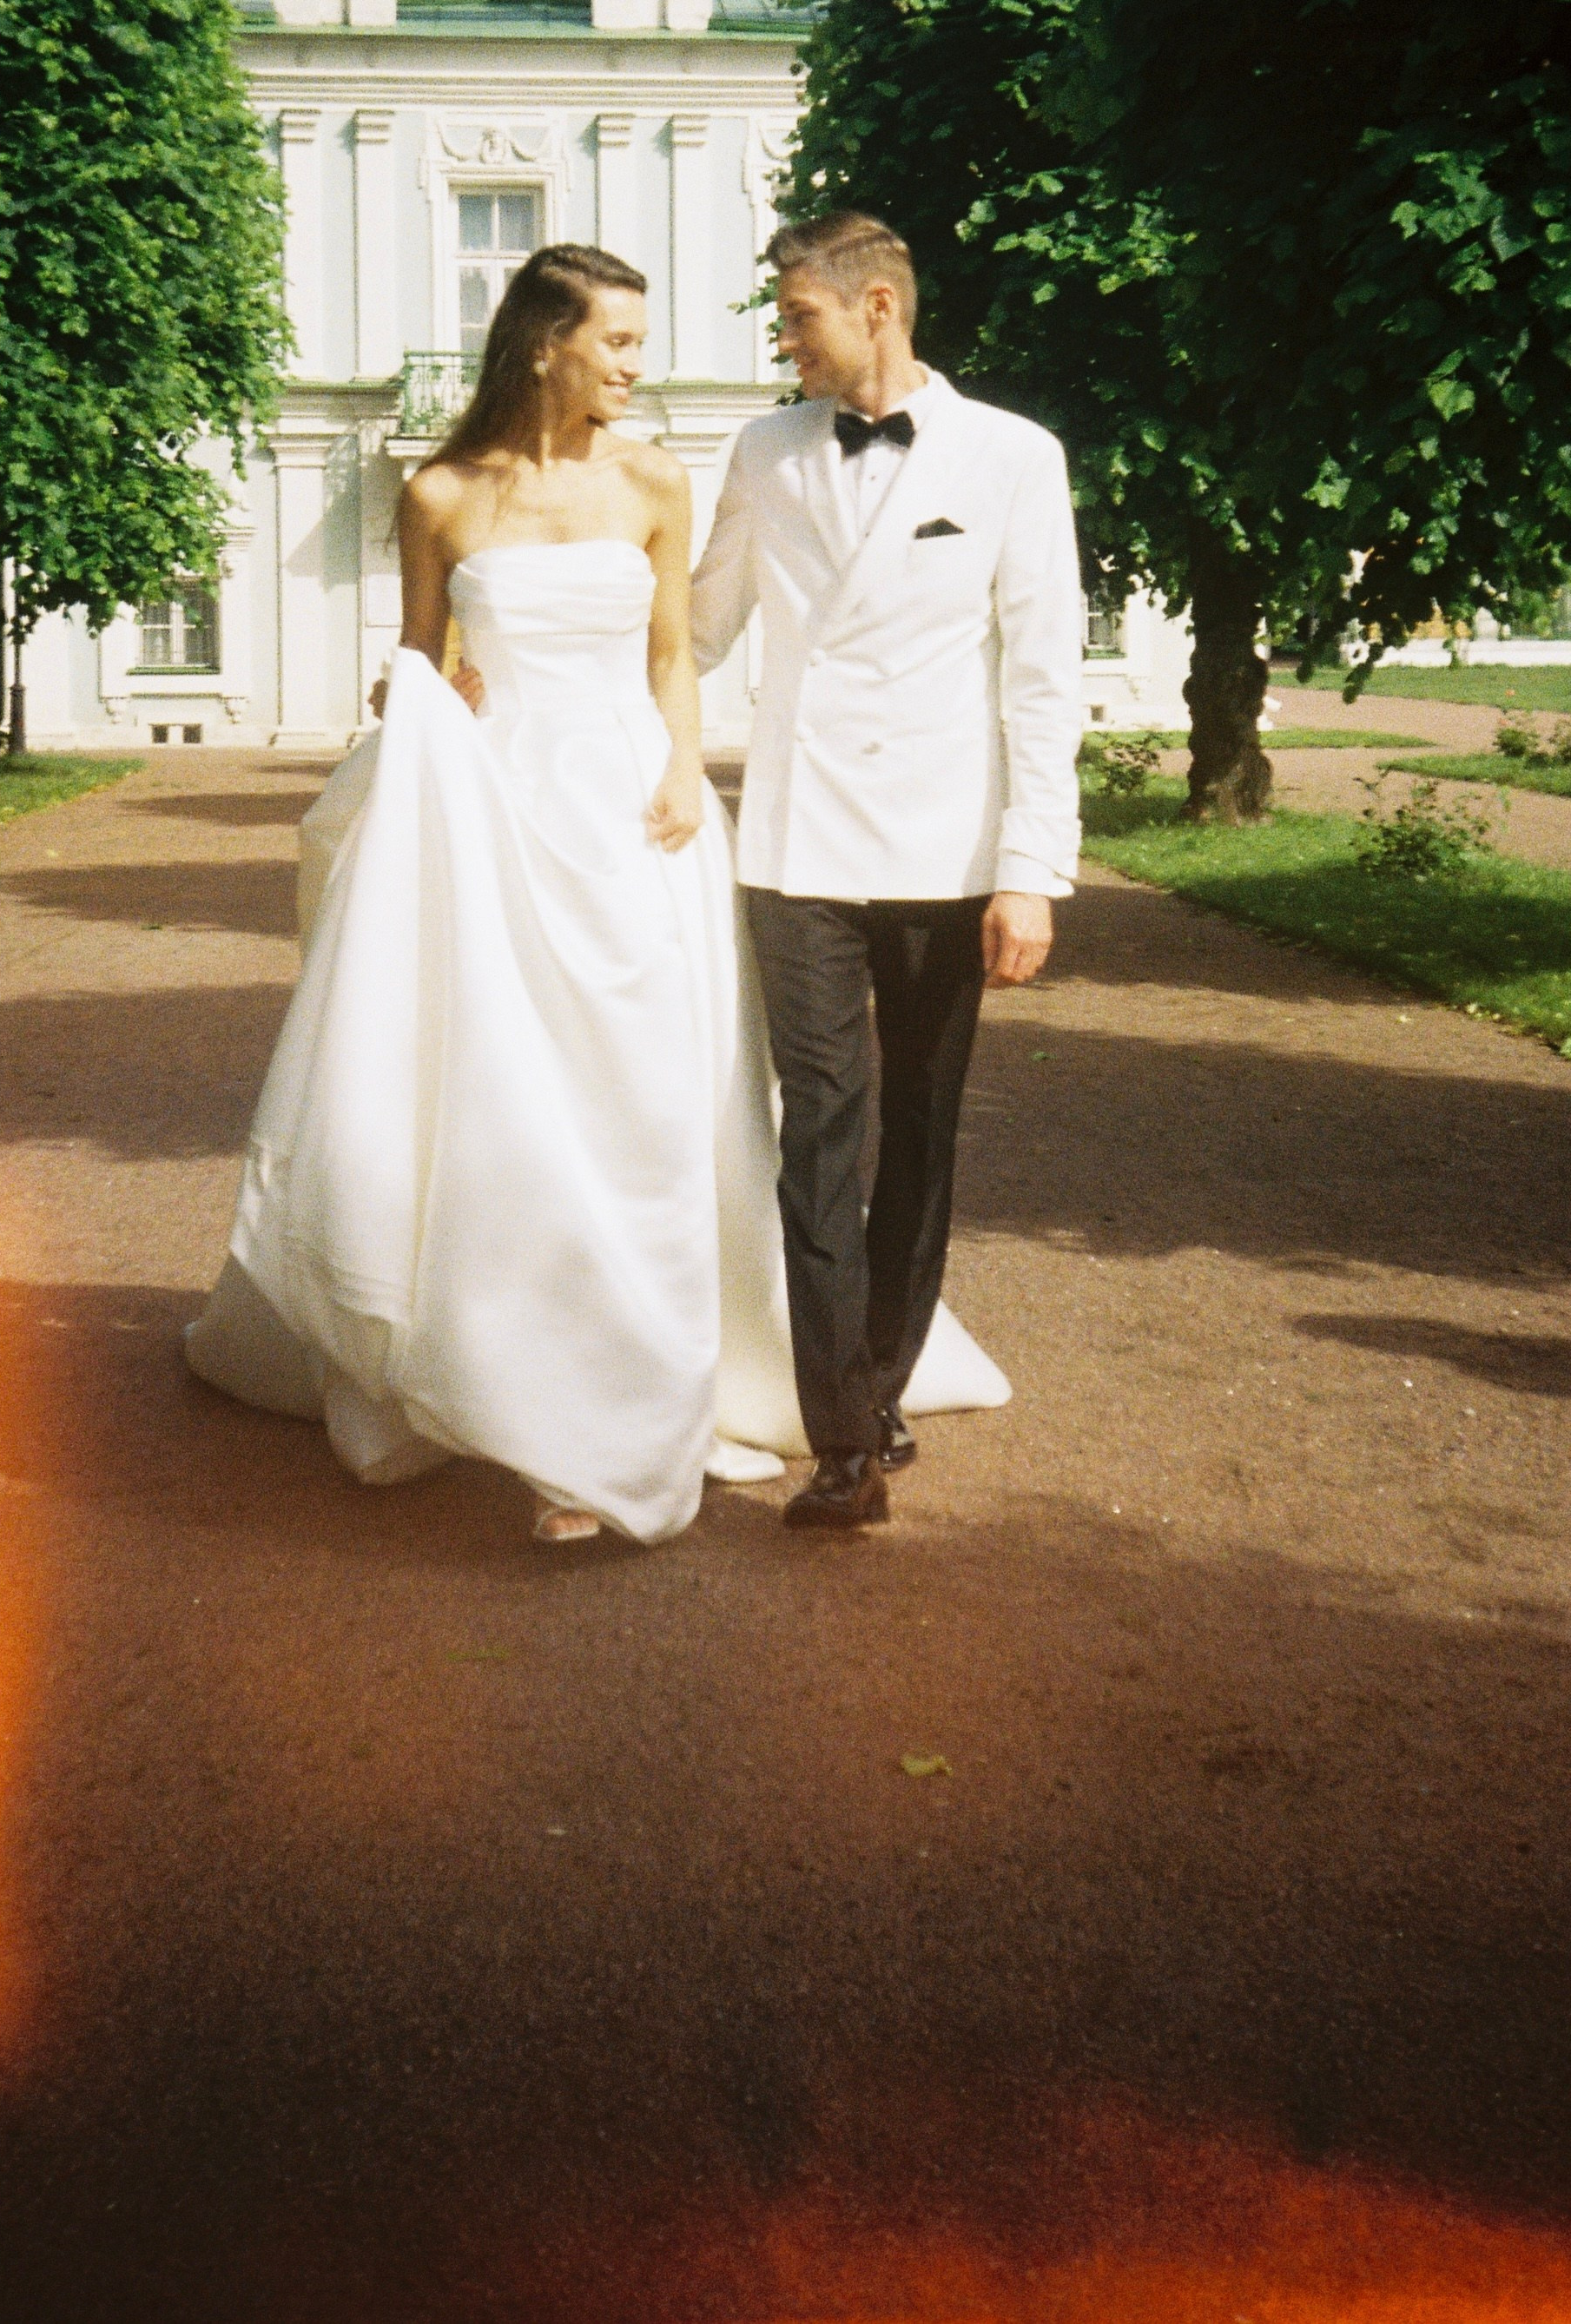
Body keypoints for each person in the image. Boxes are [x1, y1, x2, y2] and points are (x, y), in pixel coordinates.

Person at [184, 241, 1006, 1547]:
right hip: (499, 822)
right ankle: (525, 1389)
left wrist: (684, 768)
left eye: (636, 342)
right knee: (512, 1105)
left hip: (637, 819)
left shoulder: (654, 478)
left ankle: (643, 1394)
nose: (636, 365)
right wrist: (421, 707)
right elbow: (412, 659)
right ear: (542, 346)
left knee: (646, 1109)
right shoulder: (443, 494)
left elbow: (677, 655)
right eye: (617, 342)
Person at [690, 209, 1086, 1530]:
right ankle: (845, 1436)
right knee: (820, 1124)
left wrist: (1030, 867)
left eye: (797, 314)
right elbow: (694, 629)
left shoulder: (1015, 458)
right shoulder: (764, 451)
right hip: (799, 841)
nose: (781, 338)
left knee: (919, 1128)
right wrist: (521, 662)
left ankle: (882, 1374)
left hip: (946, 846)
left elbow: (1042, 678)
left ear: (875, 309)